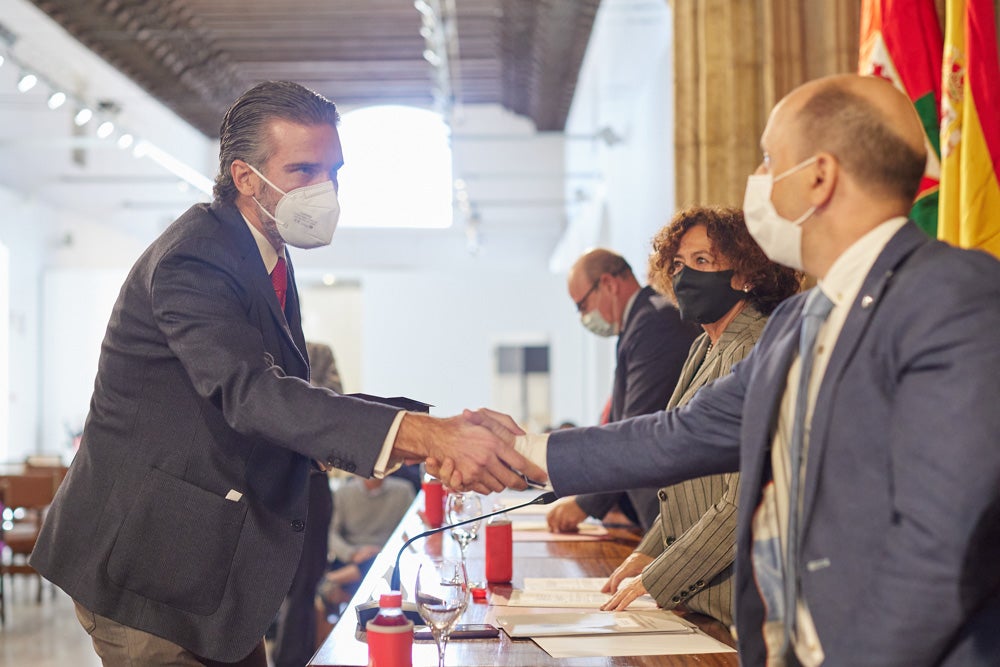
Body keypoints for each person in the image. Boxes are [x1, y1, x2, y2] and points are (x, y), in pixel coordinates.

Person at [443, 74, 1000, 666]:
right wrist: (523, 447)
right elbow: (682, 433)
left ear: (818, 175)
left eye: (767, 160)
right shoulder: (800, 319)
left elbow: (943, 548)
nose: (756, 181)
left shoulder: (953, 297)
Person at [29, 80, 543, 667]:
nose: (324, 190)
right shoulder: (194, 257)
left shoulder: (261, 251)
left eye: (334, 172)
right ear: (246, 178)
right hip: (152, 568)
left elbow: (294, 398)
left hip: (207, 569)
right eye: (303, 170)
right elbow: (254, 396)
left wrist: (434, 425)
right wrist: (429, 438)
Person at [598, 206, 800, 629]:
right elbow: (687, 479)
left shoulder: (751, 347)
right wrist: (648, 550)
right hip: (704, 599)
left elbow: (742, 500)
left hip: (742, 603)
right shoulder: (705, 345)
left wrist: (658, 577)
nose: (684, 276)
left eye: (702, 261)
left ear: (746, 274)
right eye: (677, 264)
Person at [546, 249, 698, 533]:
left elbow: (633, 430)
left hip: (672, 510)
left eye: (582, 305)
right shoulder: (638, 323)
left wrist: (586, 504)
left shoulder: (654, 323)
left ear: (609, 284)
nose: (584, 316)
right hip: (647, 508)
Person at [270, 341, 342, 667]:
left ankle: (292, 660)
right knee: (272, 585)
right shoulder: (255, 347)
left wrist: (287, 401)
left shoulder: (319, 353)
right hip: (267, 485)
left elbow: (332, 411)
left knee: (306, 583)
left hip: (312, 484)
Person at [317, 474, 415, 611]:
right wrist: (352, 553)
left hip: (385, 557)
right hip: (351, 558)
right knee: (377, 561)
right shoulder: (343, 493)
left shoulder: (403, 491)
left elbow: (411, 529)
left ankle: (330, 579)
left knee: (379, 559)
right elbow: (331, 534)